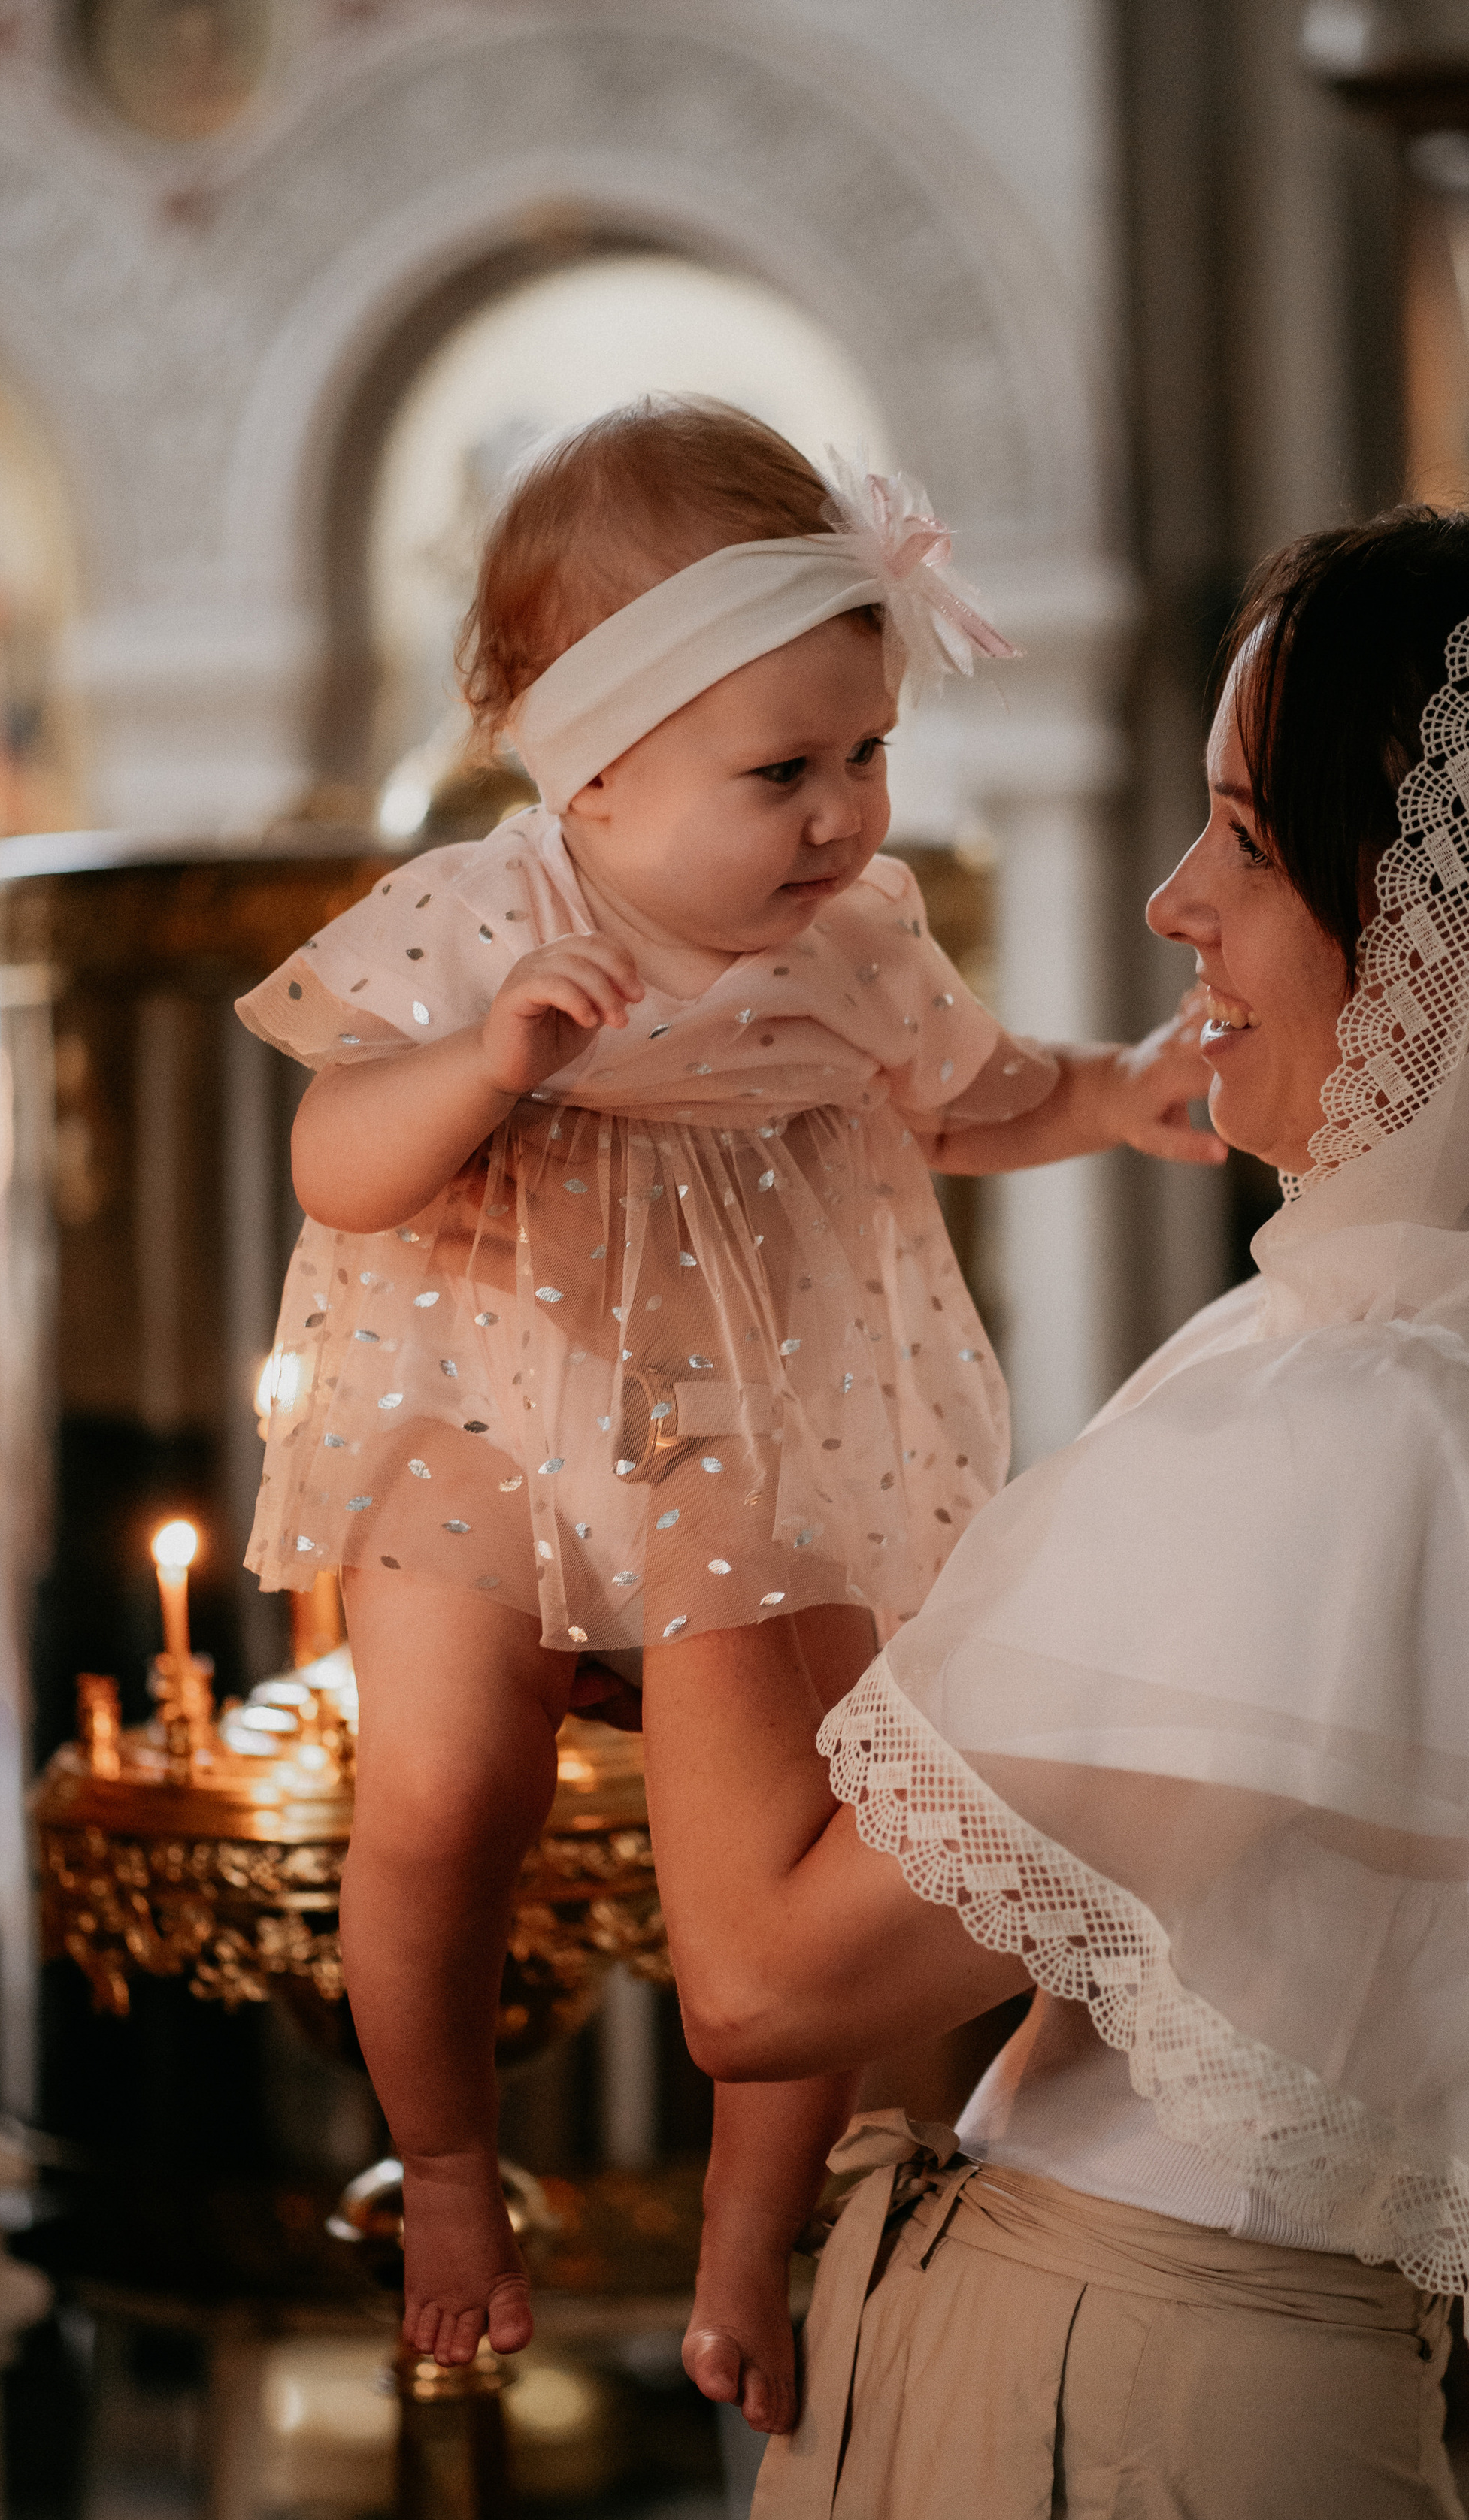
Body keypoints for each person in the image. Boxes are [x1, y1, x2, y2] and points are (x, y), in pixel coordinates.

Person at [647, 492, 1469, 2520]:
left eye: (1242, 839)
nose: (1172, 907)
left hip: (1124, 2452)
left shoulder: (1366, 1428)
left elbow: (765, 1969)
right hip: (1154, 2409)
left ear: (1442, 929)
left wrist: (681, 1390)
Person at [233, 397, 1219, 2381]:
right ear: (589, 768)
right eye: (783, 770)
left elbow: (963, 1099)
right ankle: (441, 2162)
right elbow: (336, 1163)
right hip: (481, 1427)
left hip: (746, 1434)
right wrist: (485, 1067)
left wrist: (1110, 1092)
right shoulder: (488, 922)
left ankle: (745, 2241)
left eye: (867, 752)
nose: (845, 812)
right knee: (442, 1796)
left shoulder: (851, 937)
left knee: (797, 1861)